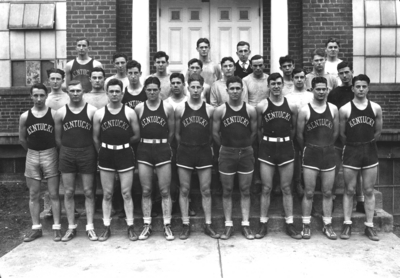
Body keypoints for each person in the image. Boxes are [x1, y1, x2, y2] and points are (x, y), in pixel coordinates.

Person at [92, 78, 141, 241]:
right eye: (111, 91)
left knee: (126, 193)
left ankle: (130, 227)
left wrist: (123, 143)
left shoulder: (129, 112)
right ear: (107, 93)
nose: (114, 94)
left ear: (122, 93)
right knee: (107, 194)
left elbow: (136, 135)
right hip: (106, 154)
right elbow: (96, 138)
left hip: (124, 154)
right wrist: (104, 150)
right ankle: (106, 227)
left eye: (117, 91)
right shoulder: (99, 113)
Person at [255, 73, 301, 240]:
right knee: (266, 188)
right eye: (272, 83)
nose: (275, 86)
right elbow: (259, 129)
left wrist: (285, 140)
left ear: (283, 85)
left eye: (278, 83)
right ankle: (262, 223)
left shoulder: (292, 106)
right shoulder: (262, 106)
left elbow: (294, 129)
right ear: (268, 85)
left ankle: (290, 223)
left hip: (285, 147)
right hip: (267, 147)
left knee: (286, 188)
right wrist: (266, 143)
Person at [175, 74, 219, 239]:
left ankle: (208, 224)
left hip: (203, 151)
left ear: (202, 89)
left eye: (198, 87)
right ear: (188, 88)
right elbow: (177, 134)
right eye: (192, 87)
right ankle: (185, 224)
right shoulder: (180, 108)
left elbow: (212, 134)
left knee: (206, 190)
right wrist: (186, 146)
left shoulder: (209, 109)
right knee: (184, 189)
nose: (195, 90)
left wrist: (204, 147)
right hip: (185, 151)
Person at [212, 76, 257, 240]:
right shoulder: (220, 110)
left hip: (245, 152)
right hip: (227, 153)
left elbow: (253, 133)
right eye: (232, 88)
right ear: (227, 90)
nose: (235, 91)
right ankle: (228, 225)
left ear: (242, 90)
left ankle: (245, 225)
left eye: (238, 88)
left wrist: (244, 146)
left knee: (245, 190)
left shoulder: (250, 110)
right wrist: (226, 147)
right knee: (227, 190)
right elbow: (215, 134)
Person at [339, 74, 382, 241]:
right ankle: (347, 224)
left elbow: (378, 132)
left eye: (364, 86)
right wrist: (354, 145)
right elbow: (342, 134)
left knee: (369, 190)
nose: (361, 89)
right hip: (351, 150)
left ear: (368, 88)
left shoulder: (376, 108)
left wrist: (366, 144)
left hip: (369, 150)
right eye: (358, 86)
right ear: (353, 88)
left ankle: (369, 226)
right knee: (349, 190)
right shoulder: (345, 109)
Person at [54, 80, 98, 241]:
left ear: (83, 92)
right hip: (67, 153)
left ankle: (90, 226)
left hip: (87, 152)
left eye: (78, 90)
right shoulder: (61, 112)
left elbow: (96, 137)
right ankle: (71, 227)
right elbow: (58, 139)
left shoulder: (92, 111)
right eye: (71, 91)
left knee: (88, 191)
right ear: (67, 93)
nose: (75, 93)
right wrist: (67, 150)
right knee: (68, 191)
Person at [297, 77, 339, 240]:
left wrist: (326, 146)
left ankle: (327, 224)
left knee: (327, 192)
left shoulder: (333, 109)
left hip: (328, 153)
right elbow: (299, 136)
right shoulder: (304, 110)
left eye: (324, 89)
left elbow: (335, 133)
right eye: (318, 89)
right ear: (312, 90)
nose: (321, 92)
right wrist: (309, 148)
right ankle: (306, 225)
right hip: (311, 154)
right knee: (309, 191)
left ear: (327, 90)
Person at [134, 76, 175, 241]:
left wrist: (164, 145)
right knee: (146, 190)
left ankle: (167, 225)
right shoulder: (139, 108)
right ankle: (146, 224)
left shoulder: (167, 107)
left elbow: (171, 132)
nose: (152, 92)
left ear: (160, 90)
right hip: (144, 149)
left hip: (162, 148)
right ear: (145, 90)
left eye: (154, 89)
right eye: (149, 90)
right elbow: (136, 132)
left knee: (165, 190)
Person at [19, 83, 61, 242]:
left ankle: (57, 227)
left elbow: (58, 139)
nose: (38, 98)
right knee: (33, 193)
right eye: (35, 95)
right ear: (31, 96)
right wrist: (32, 151)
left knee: (54, 193)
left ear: (46, 96)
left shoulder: (54, 114)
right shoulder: (25, 116)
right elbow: (22, 139)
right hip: (32, 154)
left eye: (41, 95)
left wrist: (51, 152)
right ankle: (36, 228)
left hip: (50, 153)